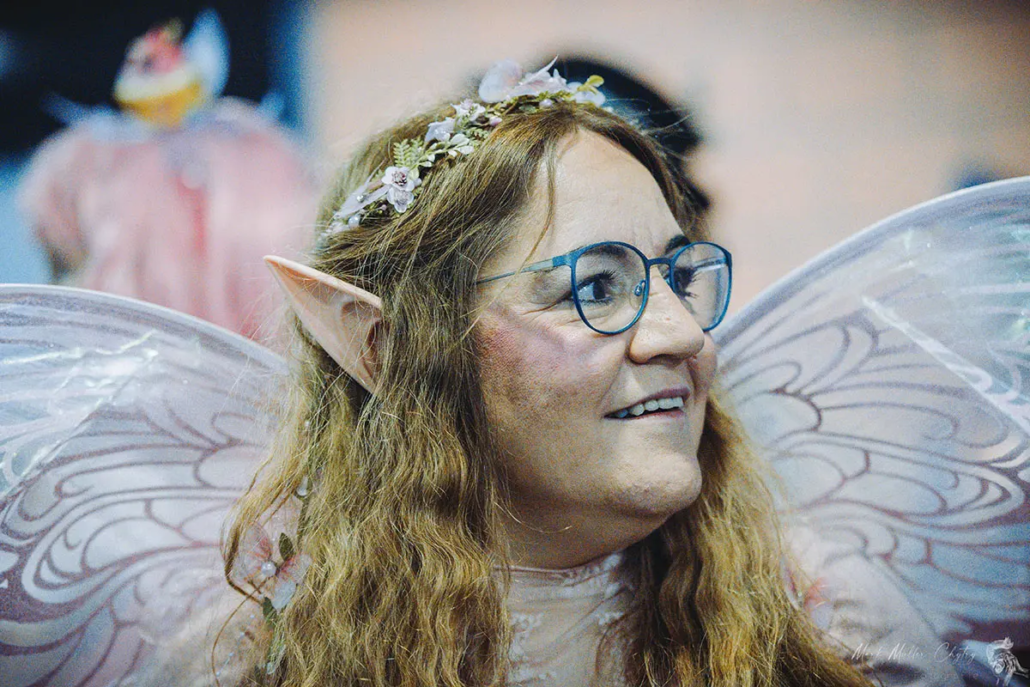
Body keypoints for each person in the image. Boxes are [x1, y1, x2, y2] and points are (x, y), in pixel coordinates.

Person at [140, 60, 962, 687]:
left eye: (680, 278)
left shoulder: (829, 625)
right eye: (595, 288)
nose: (685, 334)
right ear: (391, 351)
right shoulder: (259, 660)